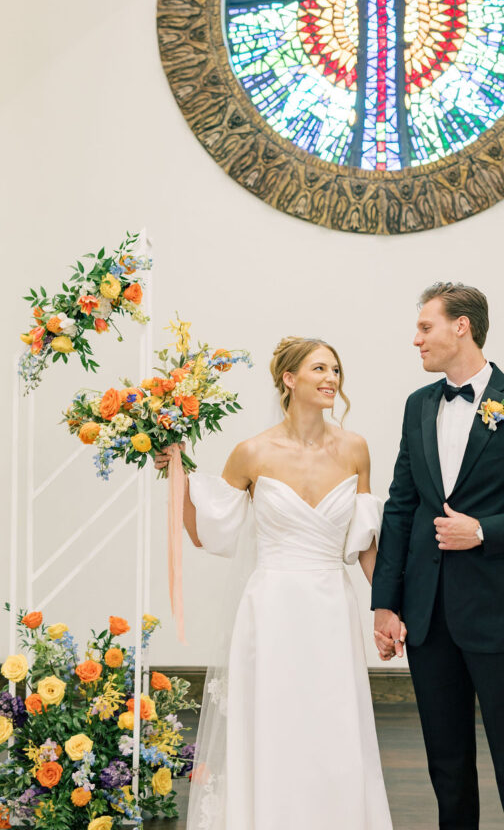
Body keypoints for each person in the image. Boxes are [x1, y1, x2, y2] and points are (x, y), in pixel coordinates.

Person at [372, 282, 504, 830]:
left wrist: (484, 531)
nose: (415, 339)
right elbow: (400, 509)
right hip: (426, 616)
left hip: (499, 612)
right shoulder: (418, 405)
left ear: (461, 326)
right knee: (446, 767)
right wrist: (386, 604)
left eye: (425, 327)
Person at [155, 336, 392, 830]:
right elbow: (206, 531)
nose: (332, 379)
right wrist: (177, 472)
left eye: (336, 370)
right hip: (272, 608)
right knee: (274, 725)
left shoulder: (355, 448)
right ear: (289, 379)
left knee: (333, 726)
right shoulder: (252, 452)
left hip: (331, 604)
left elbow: (366, 540)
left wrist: (387, 608)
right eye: (319, 369)